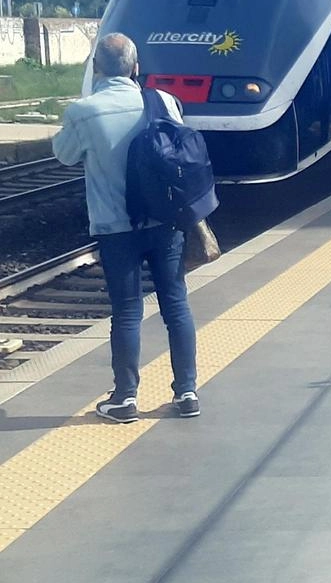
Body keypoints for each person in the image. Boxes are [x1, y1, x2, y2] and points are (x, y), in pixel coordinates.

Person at [52, 33, 200, 422]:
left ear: (97, 68)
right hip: (166, 221)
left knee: (128, 310)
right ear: (136, 68)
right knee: (175, 302)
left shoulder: (83, 111)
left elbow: (64, 156)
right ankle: (187, 391)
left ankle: (125, 399)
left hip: (116, 226)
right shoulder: (164, 101)